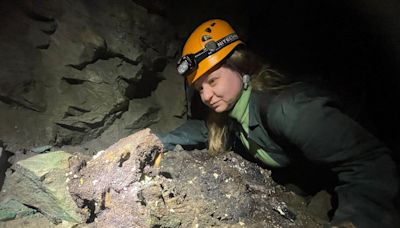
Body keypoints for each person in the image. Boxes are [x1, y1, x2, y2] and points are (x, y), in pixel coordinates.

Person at [156, 19, 399, 228]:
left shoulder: (288, 110)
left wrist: (354, 221)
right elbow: (202, 129)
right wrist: (153, 141)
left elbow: (371, 163)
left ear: (239, 66)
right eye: (200, 89)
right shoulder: (234, 112)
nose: (206, 96)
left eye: (213, 80)